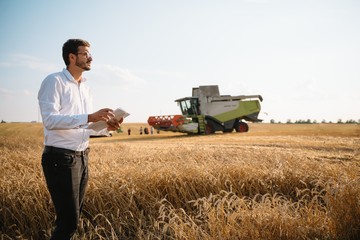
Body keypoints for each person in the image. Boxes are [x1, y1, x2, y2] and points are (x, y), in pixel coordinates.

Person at [38, 39, 123, 240]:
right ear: (72, 57)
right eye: (85, 54)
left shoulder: (86, 88)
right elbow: (50, 121)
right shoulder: (54, 81)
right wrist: (89, 117)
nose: (90, 57)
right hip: (60, 159)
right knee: (68, 222)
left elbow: (82, 128)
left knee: (73, 219)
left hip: (83, 157)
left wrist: (106, 129)